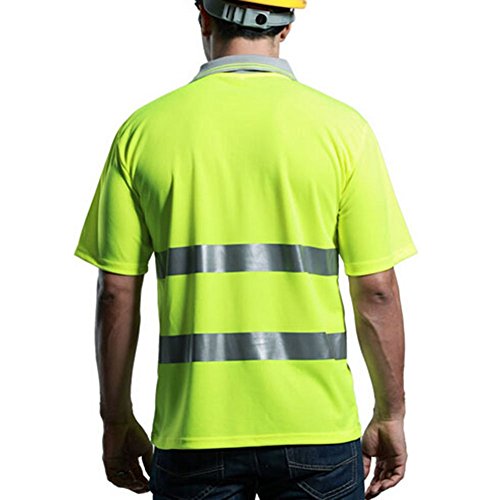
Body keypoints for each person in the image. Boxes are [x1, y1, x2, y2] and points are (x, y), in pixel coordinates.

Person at [74, 0, 417, 498]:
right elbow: (377, 291)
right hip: (316, 429)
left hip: (194, 432)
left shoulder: (142, 132)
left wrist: (116, 418)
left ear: (204, 19)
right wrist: (390, 413)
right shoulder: (344, 131)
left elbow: (115, 293)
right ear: (288, 27)